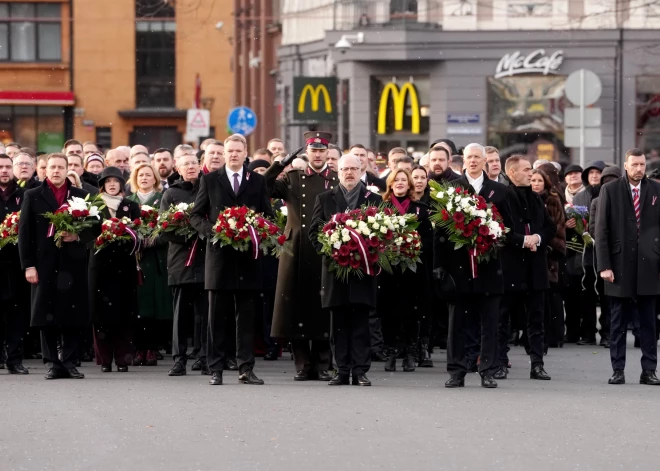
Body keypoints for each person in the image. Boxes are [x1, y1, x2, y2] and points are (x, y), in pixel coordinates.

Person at [191, 134, 274, 386]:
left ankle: (245, 368)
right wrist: (214, 233)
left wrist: (255, 229)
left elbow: (267, 216)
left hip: (248, 259)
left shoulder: (257, 181)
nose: (234, 154)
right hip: (219, 259)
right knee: (217, 317)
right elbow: (196, 216)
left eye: (239, 151)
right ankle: (215, 367)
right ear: (224, 153)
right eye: (230, 151)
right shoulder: (209, 180)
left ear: (245, 152)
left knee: (246, 318)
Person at [18, 153, 101, 380]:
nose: (56, 171)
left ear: (68, 170)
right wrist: (28, 266)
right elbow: (24, 234)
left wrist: (77, 235)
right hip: (43, 265)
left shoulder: (81, 195)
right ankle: (53, 363)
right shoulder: (33, 196)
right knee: (46, 316)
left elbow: (96, 227)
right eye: (52, 167)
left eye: (60, 167)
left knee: (72, 314)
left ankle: (70, 362)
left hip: (73, 265)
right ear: (44, 170)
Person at [436, 144, 512, 388]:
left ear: (485, 161)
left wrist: (493, 240)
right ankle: (456, 371)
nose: (473, 161)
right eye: (469, 157)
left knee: (489, 323)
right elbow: (441, 230)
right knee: (456, 324)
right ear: (463, 160)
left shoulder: (499, 191)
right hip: (458, 268)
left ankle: (487, 369)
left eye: (477, 157)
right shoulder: (451, 189)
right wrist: (439, 266)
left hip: (488, 267)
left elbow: (508, 228)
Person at [266, 132, 338, 381]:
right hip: (295, 245)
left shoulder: (335, 179)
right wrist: (279, 163)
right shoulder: (293, 178)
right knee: (294, 305)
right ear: (307, 152)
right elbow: (264, 188)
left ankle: (323, 362)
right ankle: (302, 363)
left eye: (321, 150)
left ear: (328, 153)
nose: (317, 155)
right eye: (313, 150)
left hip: (324, 247)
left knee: (322, 305)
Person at [309, 154, 382, 386]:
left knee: (361, 322)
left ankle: (360, 370)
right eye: (344, 169)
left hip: (363, 270)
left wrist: (368, 251)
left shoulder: (374, 199)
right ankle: (341, 370)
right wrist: (332, 250)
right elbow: (314, 232)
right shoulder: (324, 198)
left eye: (353, 168)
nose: (349, 173)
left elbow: (383, 234)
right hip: (335, 271)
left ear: (362, 171)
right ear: (337, 172)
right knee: (338, 322)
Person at [596, 148, 660, 386]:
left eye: (642, 165)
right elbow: (601, 230)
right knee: (617, 322)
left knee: (649, 323)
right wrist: (604, 265)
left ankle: (649, 370)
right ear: (625, 165)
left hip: (649, 265)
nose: (639, 169)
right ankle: (618, 369)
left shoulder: (656, 189)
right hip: (619, 265)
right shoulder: (610, 190)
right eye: (634, 165)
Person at [495, 155, 556, 381]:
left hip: (535, 266)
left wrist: (537, 238)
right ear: (512, 173)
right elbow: (499, 229)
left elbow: (550, 227)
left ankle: (537, 364)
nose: (531, 173)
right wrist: (523, 240)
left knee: (537, 318)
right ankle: (501, 362)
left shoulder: (537, 198)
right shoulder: (502, 197)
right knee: (503, 318)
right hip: (511, 265)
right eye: (526, 169)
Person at [379, 168, 433, 373]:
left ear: (409, 185)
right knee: (388, 312)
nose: (400, 183)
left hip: (413, 270)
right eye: (396, 180)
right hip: (388, 270)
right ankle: (391, 352)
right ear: (391, 184)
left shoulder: (420, 209)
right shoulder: (381, 207)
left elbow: (429, 239)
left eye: (404, 180)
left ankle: (411, 353)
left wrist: (412, 246)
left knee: (413, 312)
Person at [160, 153, 209, 376]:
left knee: (205, 313)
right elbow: (165, 228)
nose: (190, 167)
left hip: (206, 258)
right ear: (178, 169)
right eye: (185, 164)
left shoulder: (208, 188)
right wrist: (191, 233)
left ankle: (205, 357)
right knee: (181, 314)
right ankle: (179, 359)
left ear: (200, 166)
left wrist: (204, 232)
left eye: (193, 163)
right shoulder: (171, 193)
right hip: (181, 260)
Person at [89, 167, 140, 373]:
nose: (112, 184)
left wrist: (121, 237)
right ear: (102, 185)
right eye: (107, 181)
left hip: (123, 265)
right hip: (99, 266)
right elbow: (87, 234)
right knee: (100, 315)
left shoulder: (131, 206)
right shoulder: (93, 205)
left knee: (124, 313)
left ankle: (122, 359)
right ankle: (104, 360)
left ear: (121, 184)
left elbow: (138, 232)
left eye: (116, 181)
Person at [127, 163, 173, 367]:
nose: (144, 178)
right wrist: (136, 240)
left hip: (156, 259)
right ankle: (138, 349)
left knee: (155, 306)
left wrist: (154, 239)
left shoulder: (162, 200)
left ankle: (152, 348)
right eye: (140, 175)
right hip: (136, 258)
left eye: (148, 175)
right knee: (137, 305)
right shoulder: (129, 202)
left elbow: (169, 226)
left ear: (155, 178)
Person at [530, 169, 566, 351]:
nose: (536, 183)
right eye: (533, 180)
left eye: (539, 180)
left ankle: (553, 336)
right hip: (528, 253)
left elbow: (557, 229)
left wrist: (548, 245)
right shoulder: (524, 199)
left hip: (548, 255)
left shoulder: (552, 200)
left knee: (550, 297)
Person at [0, 154, 29, 374]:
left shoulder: (24, 195)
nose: (4, 171)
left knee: (17, 314)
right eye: (0, 167)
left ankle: (15, 359)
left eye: (8, 167)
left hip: (17, 262)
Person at [588, 165, 622, 349]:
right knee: (606, 296)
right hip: (605, 254)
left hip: (624, 255)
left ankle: (617, 331)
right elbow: (593, 228)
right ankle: (607, 333)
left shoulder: (626, 200)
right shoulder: (596, 202)